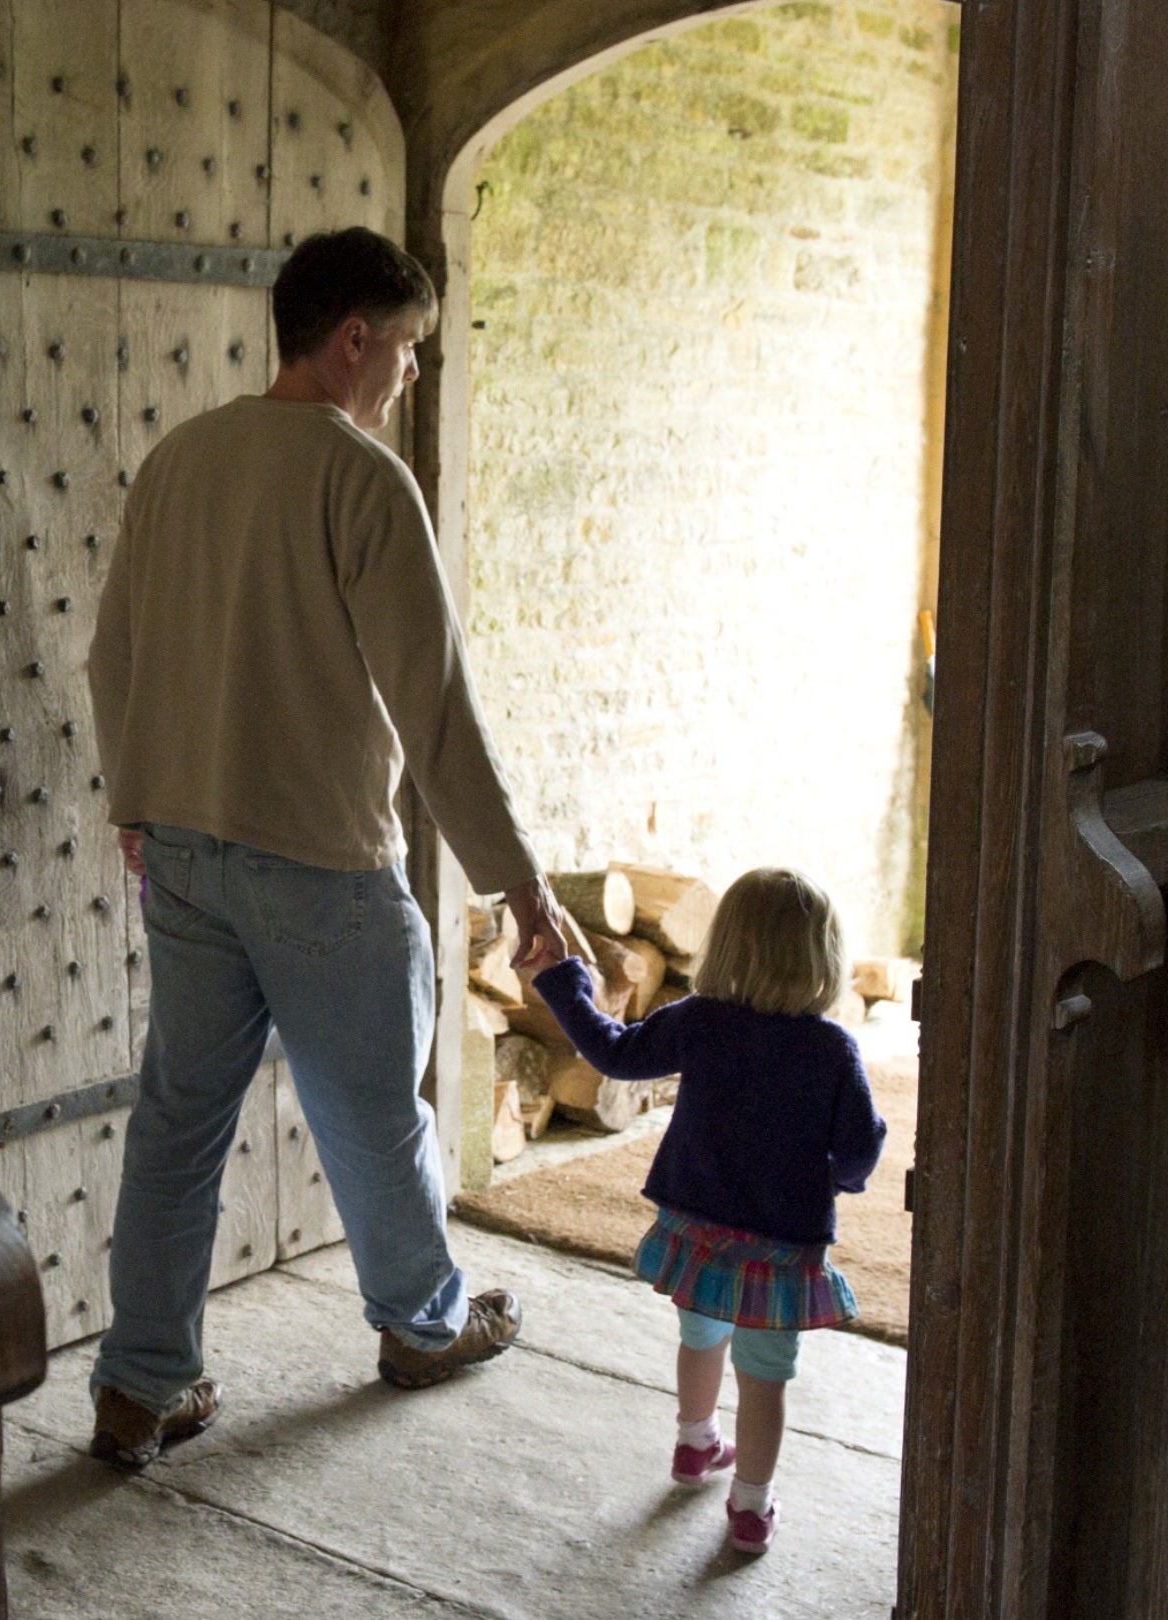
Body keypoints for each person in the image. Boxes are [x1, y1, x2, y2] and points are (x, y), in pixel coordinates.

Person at [82, 226, 575, 1469]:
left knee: (177, 1125)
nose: (410, 375)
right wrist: (521, 881)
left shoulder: (178, 461)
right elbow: (437, 703)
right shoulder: (361, 481)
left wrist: (135, 800)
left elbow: (112, 656)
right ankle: (421, 1325)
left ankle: (139, 1389)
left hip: (184, 859)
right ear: (355, 338)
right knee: (375, 1123)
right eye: (407, 349)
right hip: (320, 867)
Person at [520, 867, 887, 1554]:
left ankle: (695, 1447)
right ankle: (749, 1508)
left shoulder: (698, 1022)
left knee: (700, 1338)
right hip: (779, 1247)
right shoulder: (833, 1050)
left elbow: (614, 1052)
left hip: (698, 1229)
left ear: (725, 948)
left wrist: (563, 979)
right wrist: (846, 1177)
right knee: (765, 1378)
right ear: (824, 958)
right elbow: (859, 1151)